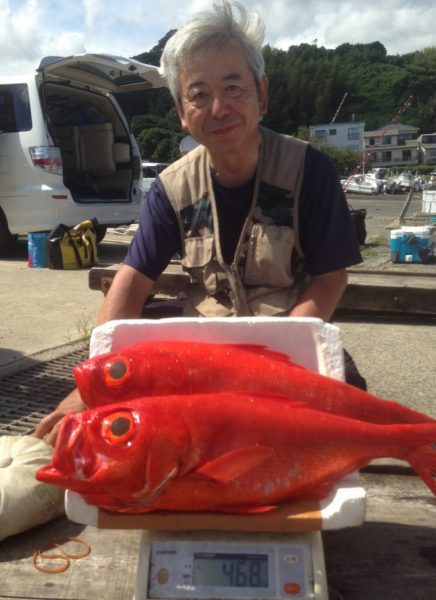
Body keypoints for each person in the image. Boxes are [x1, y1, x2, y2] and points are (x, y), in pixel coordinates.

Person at [35, 0, 365, 445]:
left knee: (341, 424)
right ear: (181, 111)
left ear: (261, 95)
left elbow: (329, 278)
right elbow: (133, 279)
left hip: (286, 338)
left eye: (234, 88)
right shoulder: (171, 187)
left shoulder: (311, 171)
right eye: (199, 94)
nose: (219, 109)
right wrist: (92, 383)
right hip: (202, 346)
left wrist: (280, 354)